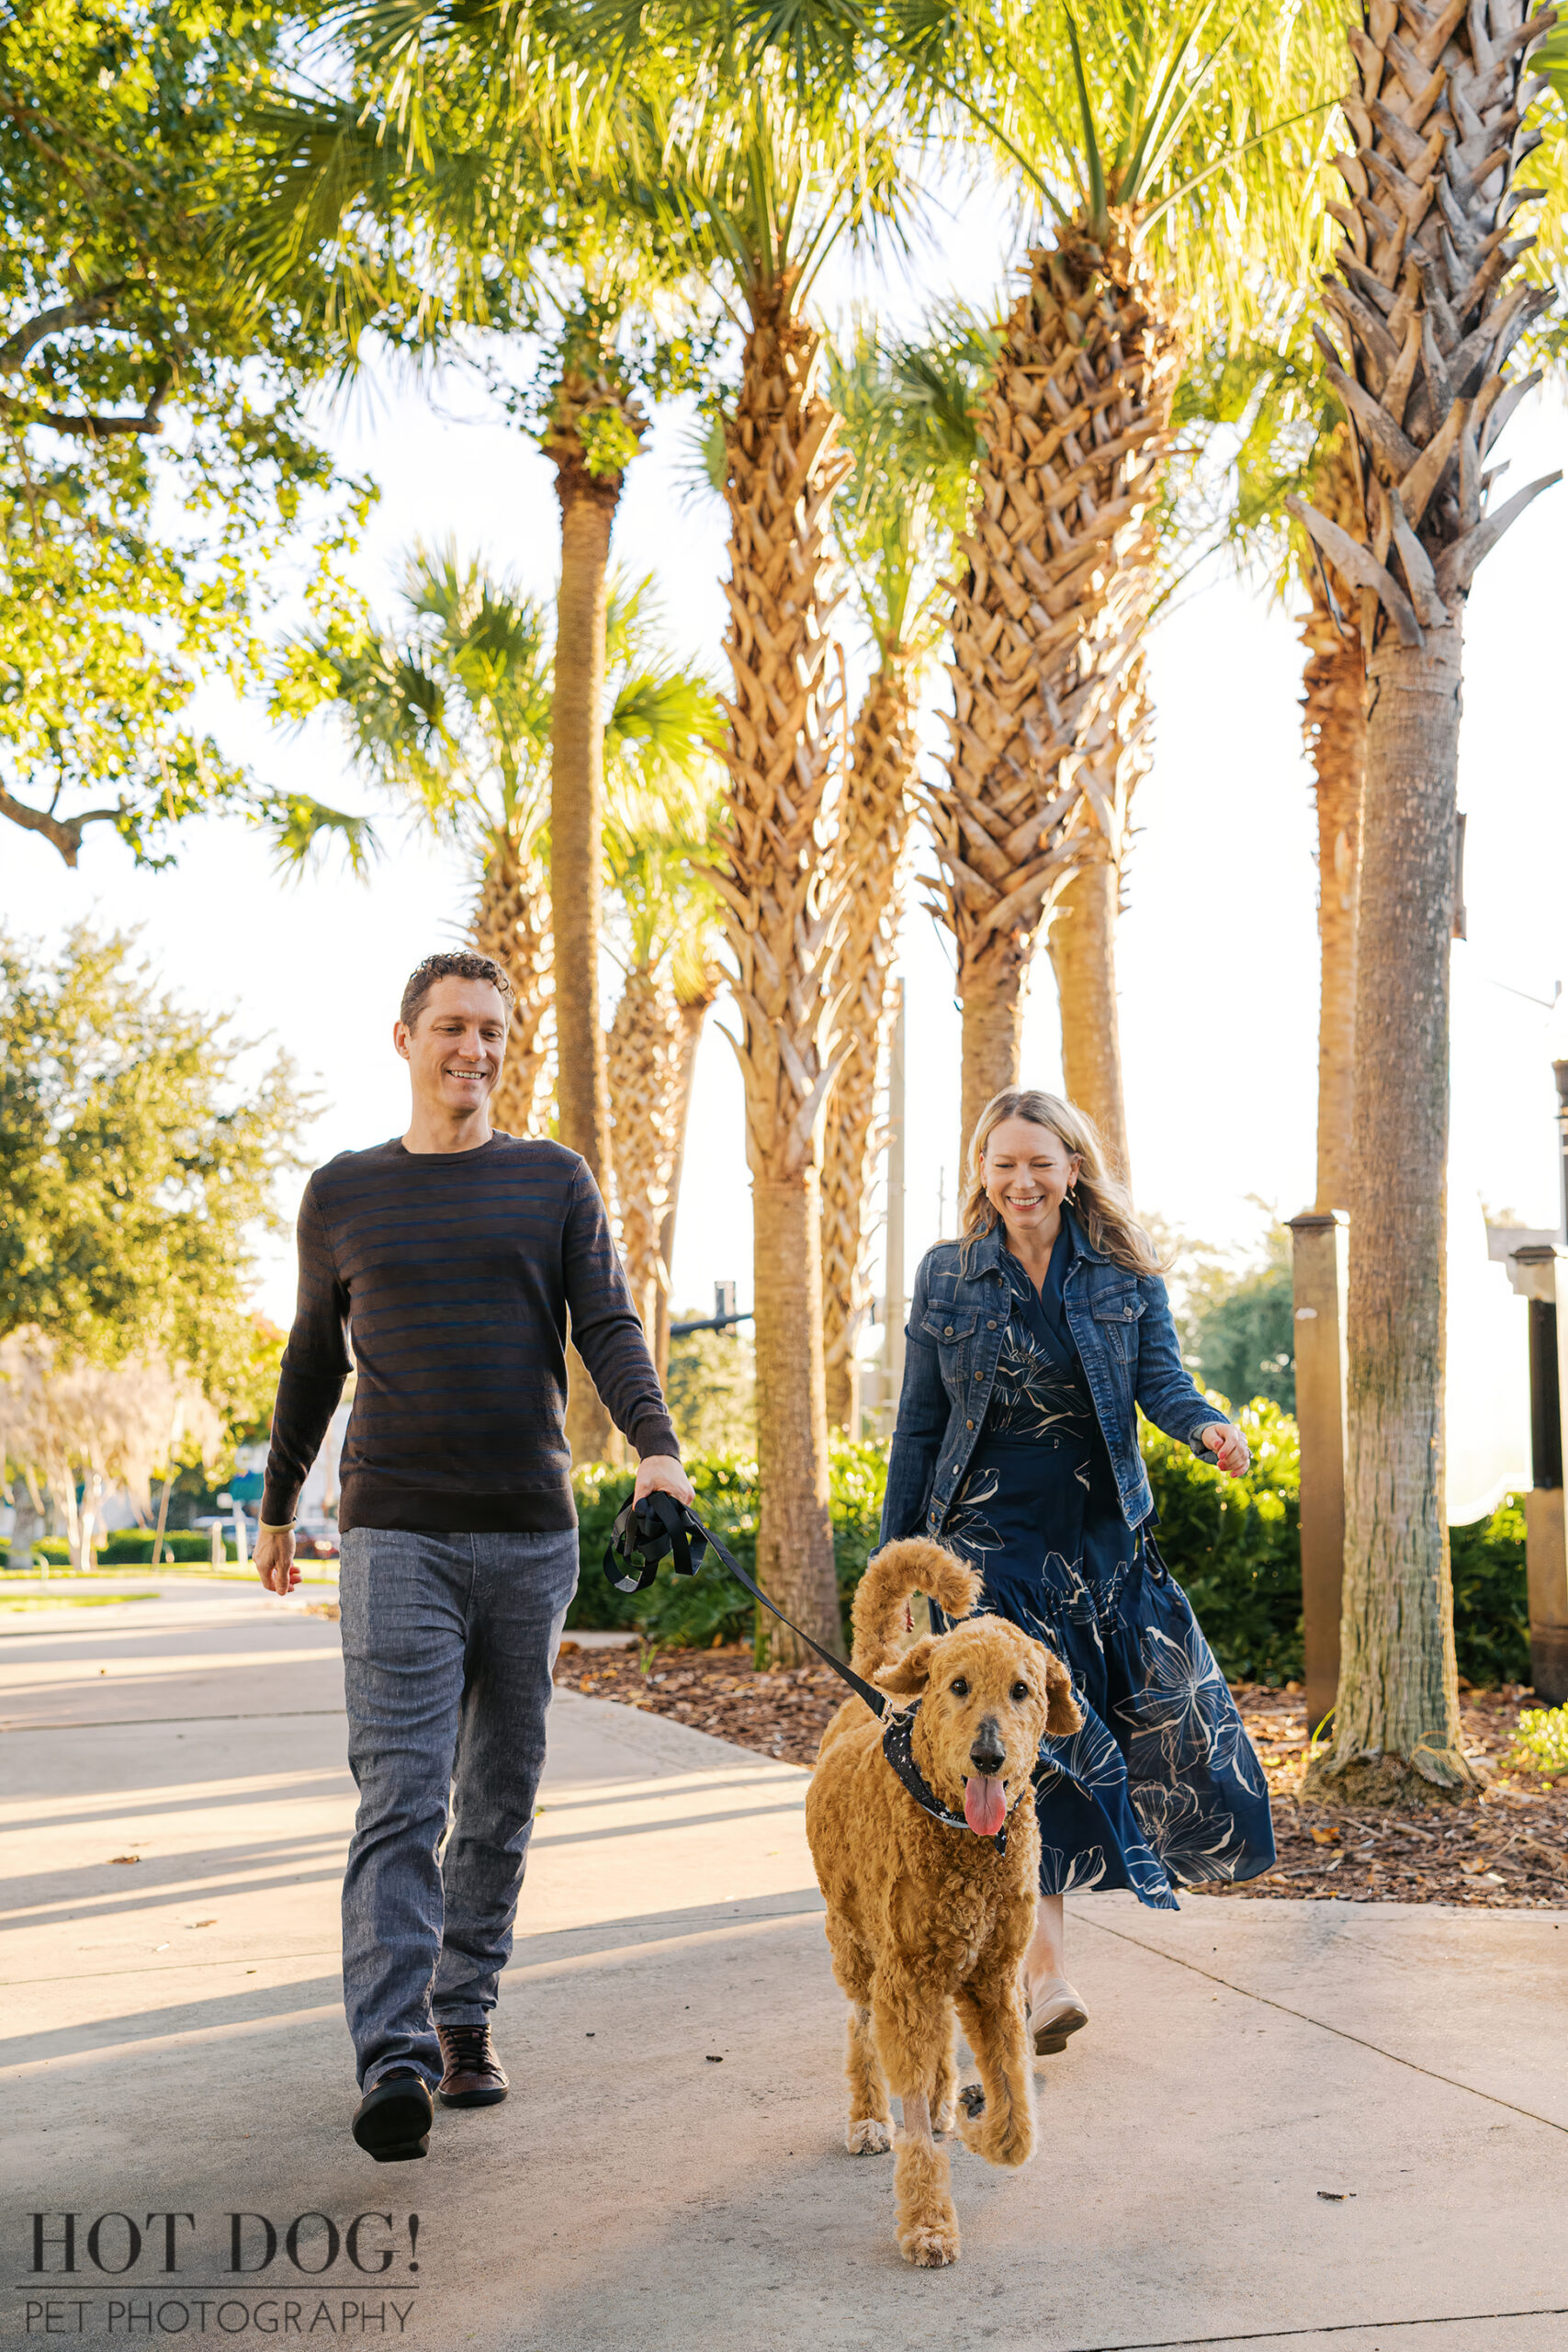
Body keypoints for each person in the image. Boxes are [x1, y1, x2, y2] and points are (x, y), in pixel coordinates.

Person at [254, 950, 694, 2162]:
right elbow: (310, 1357)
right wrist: (279, 1502)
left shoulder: (550, 1179)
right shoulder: (342, 1192)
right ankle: (390, 2059)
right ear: (403, 1039)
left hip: (526, 1532)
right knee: (402, 1798)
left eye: (493, 1032)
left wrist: (656, 1450)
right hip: (393, 1531)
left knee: (497, 1798)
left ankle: (461, 2016)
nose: (474, 1051)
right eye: (452, 1028)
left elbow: (603, 1320)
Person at [879, 1087, 1274, 2055]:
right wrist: (899, 1575)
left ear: (1073, 1167)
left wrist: (1204, 1425)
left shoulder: (1124, 1275)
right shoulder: (948, 1276)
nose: (1022, 1181)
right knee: (1026, 1747)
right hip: (989, 1554)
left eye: (1039, 1162)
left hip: (1099, 1545)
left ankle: (1033, 1962)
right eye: (1004, 1163)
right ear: (983, 1170)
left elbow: (1160, 1383)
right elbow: (919, 1427)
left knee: (1167, 1726)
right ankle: (1044, 1970)